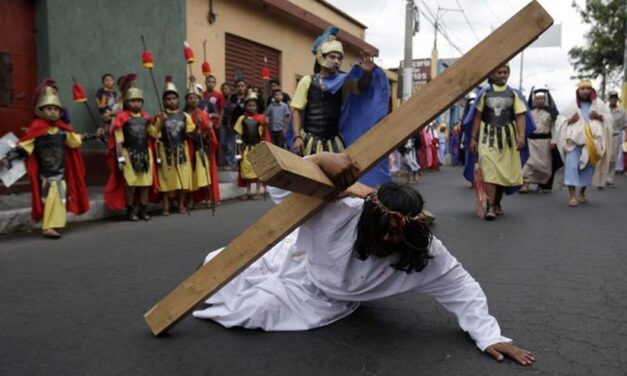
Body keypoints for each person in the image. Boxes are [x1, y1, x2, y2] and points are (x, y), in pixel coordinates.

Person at [193, 152, 535, 367]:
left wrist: (488, 334)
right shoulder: (342, 209)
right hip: (298, 266)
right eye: (384, 232)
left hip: (327, 301)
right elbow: (279, 185)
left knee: (254, 312)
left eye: (397, 238)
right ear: (367, 219)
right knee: (216, 266)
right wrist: (319, 159)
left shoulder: (421, 251)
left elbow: (461, 287)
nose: (389, 241)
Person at [290, 26, 390, 186]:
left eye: (339, 58)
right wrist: (297, 137)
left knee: (337, 183)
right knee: (309, 181)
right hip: (310, 141)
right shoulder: (307, 81)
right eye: (332, 57)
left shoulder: (344, 81)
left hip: (334, 142)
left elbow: (360, 88)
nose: (337, 61)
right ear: (321, 57)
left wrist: (367, 73)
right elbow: (296, 110)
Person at [0, 80, 92, 238]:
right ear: (41, 109)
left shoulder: (63, 130)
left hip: (61, 171)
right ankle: (48, 227)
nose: (53, 112)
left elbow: (76, 140)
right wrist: (9, 158)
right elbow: (24, 147)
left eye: (56, 109)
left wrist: (94, 135)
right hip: (46, 173)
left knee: (60, 199)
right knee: (49, 198)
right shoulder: (37, 129)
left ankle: (54, 225)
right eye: (49, 108)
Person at [464, 64, 534, 220]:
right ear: (493, 74)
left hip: (508, 139)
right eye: (499, 72)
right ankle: (489, 207)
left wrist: (521, 136)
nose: (502, 75)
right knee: (489, 170)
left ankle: (496, 203)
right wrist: (473, 138)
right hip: (487, 139)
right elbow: (477, 116)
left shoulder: (514, 94)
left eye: (505, 72)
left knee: (503, 172)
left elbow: (520, 115)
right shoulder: (484, 94)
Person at [103, 76, 157, 220]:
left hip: (145, 154)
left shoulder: (146, 118)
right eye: (133, 101)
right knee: (130, 185)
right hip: (128, 154)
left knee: (145, 184)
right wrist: (120, 158)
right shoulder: (122, 118)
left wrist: (161, 122)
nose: (136, 103)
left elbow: (154, 133)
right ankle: (131, 211)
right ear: (127, 102)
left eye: (138, 101)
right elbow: (119, 140)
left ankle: (143, 210)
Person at [555, 80, 610, 206]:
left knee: (588, 168)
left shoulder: (599, 105)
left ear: (591, 90)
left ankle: (582, 192)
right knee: (571, 166)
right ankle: (572, 196)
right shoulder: (571, 105)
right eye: (582, 88)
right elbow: (560, 119)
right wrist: (569, 120)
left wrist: (599, 117)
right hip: (573, 142)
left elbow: (609, 118)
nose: (585, 91)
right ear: (578, 91)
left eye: (587, 88)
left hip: (592, 142)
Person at [150, 76, 195, 215]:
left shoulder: (185, 115)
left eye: (174, 98)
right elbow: (153, 134)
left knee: (182, 177)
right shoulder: (160, 116)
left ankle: (181, 204)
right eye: (168, 99)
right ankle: (166, 206)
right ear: (164, 101)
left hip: (181, 149)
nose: (171, 101)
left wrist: (198, 126)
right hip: (165, 150)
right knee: (165, 178)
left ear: (178, 100)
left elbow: (190, 133)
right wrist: (160, 123)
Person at [184, 77, 216, 209]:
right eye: (190, 98)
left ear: (199, 99)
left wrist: (208, 129)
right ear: (186, 100)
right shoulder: (184, 114)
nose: (193, 100)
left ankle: (208, 198)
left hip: (201, 147)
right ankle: (190, 200)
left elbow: (207, 136)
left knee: (204, 174)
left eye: (196, 98)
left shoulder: (202, 114)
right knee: (190, 175)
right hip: (188, 147)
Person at [520, 89, 559, 193]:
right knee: (529, 163)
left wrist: (554, 141)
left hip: (544, 142)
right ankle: (526, 183)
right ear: (534, 100)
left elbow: (554, 128)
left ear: (545, 100)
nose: (540, 101)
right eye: (537, 99)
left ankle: (541, 185)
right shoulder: (528, 112)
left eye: (542, 98)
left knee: (543, 165)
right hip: (530, 141)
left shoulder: (550, 113)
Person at [234, 92, 268, 199]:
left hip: (256, 147)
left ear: (257, 106)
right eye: (249, 105)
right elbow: (239, 135)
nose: (252, 107)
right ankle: (248, 192)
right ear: (246, 106)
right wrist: (238, 150)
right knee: (246, 169)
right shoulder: (241, 119)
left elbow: (263, 135)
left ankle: (258, 192)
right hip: (245, 148)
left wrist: (266, 124)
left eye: (254, 105)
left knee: (257, 169)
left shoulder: (261, 119)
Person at [225, 79, 247, 170]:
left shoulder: (248, 98)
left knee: (241, 145)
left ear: (245, 87)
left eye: (242, 86)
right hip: (234, 125)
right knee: (231, 145)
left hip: (245, 126)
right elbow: (229, 112)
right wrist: (229, 123)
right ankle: (231, 164)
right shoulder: (232, 99)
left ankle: (241, 164)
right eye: (238, 86)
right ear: (235, 88)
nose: (240, 88)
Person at [606, 90, 627, 187]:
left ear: (617, 99)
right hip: (605, 135)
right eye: (611, 98)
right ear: (609, 99)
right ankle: (602, 178)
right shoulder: (605, 110)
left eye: (615, 98)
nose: (613, 99)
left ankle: (610, 178)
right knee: (604, 157)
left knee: (613, 158)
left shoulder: (622, 111)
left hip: (616, 135)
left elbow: (625, 125)